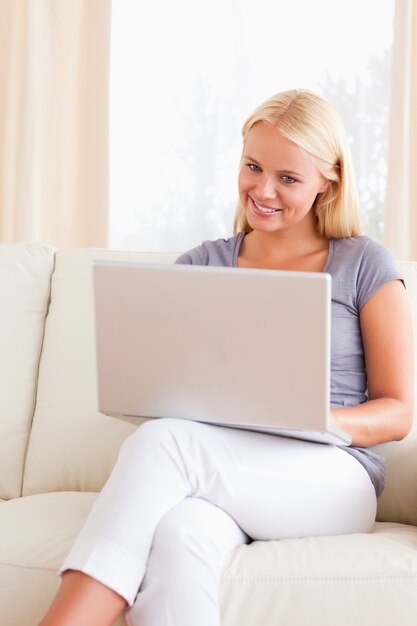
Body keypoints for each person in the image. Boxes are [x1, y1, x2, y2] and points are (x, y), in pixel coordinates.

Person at [38, 89, 413, 626]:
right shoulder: (201, 264)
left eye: (288, 178)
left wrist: (321, 421)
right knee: (177, 532)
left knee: (163, 443)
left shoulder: (364, 263)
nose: (262, 190)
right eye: (253, 166)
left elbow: (399, 410)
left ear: (328, 180)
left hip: (333, 477)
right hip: (223, 470)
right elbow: (162, 385)